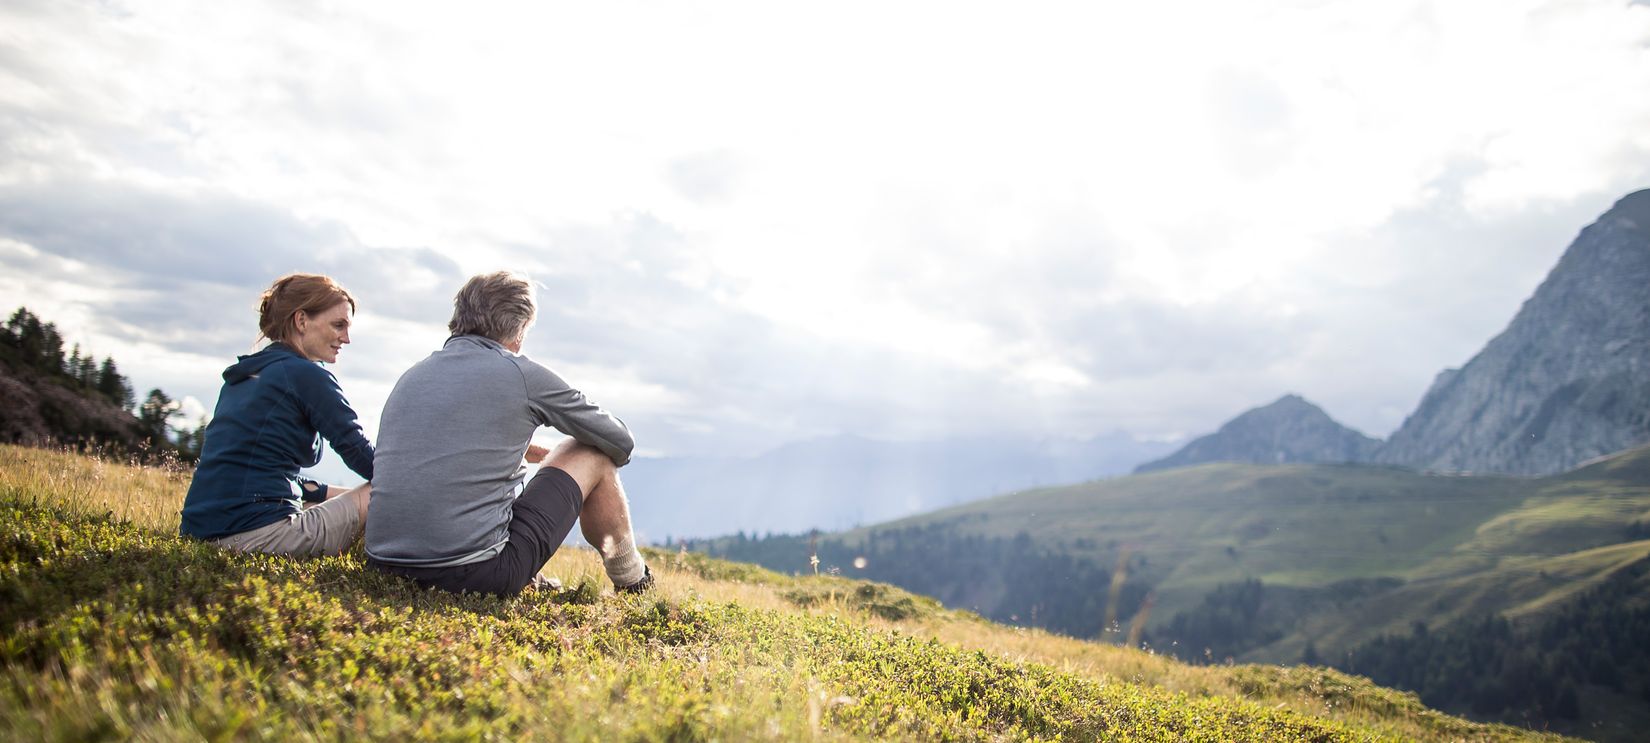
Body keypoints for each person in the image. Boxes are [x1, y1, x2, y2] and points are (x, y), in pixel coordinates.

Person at [365, 271, 650, 596]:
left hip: (383, 563)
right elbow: (619, 442)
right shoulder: (521, 374)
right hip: (475, 575)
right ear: (520, 328)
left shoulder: (413, 376)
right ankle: (633, 579)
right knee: (591, 450)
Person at [179, 273, 374, 556]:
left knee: (351, 495)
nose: (346, 338)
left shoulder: (244, 376)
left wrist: (324, 492)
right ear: (301, 321)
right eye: (338, 325)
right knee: (381, 492)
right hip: (257, 535)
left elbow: (255, 465)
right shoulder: (305, 375)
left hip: (202, 532)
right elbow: (357, 450)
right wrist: (412, 484)